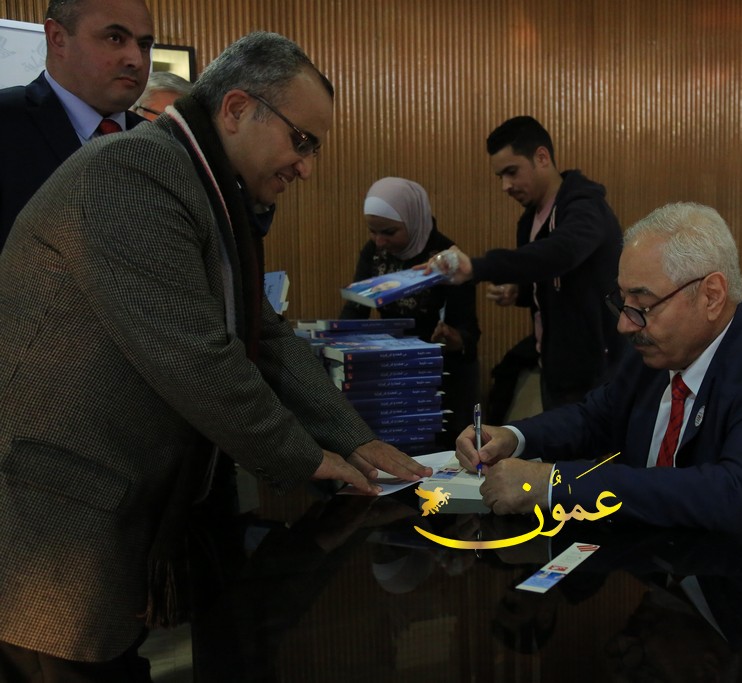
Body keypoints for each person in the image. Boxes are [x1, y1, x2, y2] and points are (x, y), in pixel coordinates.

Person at [0, 31, 430, 681]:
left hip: (105, 511)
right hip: (57, 529)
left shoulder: (202, 186)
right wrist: (307, 457)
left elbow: (265, 333)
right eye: (301, 141)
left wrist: (355, 438)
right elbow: (195, 355)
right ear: (235, 108)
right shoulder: (134, 172)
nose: (306, 168)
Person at [454, 202, 742, 598]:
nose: (624, 324)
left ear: (711, 295)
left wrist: (552, 482)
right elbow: (596, 417)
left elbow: (734, 494)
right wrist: (512, 436)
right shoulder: (660, 350)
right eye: (622, 302)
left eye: (643, 304)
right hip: (673, 574)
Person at [425, 116, 624, 413]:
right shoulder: (530, 220)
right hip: (556, 368)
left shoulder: (585, 206)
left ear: (542, 157)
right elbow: (554, 279)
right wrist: (521, 293)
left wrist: (477, 267)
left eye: (512, 172)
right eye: (500, 177)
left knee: (588, 446)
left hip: (596, 373)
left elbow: (561, 254)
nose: (506, 186)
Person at [0, 0, 155, 249]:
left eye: (144, 45)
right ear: (57, 37)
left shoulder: (159, 143)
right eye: (115, 38)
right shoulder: (7, 123)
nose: (136, 60)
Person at [341, 177, 481, 449]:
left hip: (439, 380)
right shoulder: (374, 253)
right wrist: (338, 341)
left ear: (413, 220)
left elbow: (469, 335)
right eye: (373, 232)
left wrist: (453, 338)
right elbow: (355, 309)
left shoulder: (447, 260)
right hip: (391, 374)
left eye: (389, 232)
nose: (379, 241)